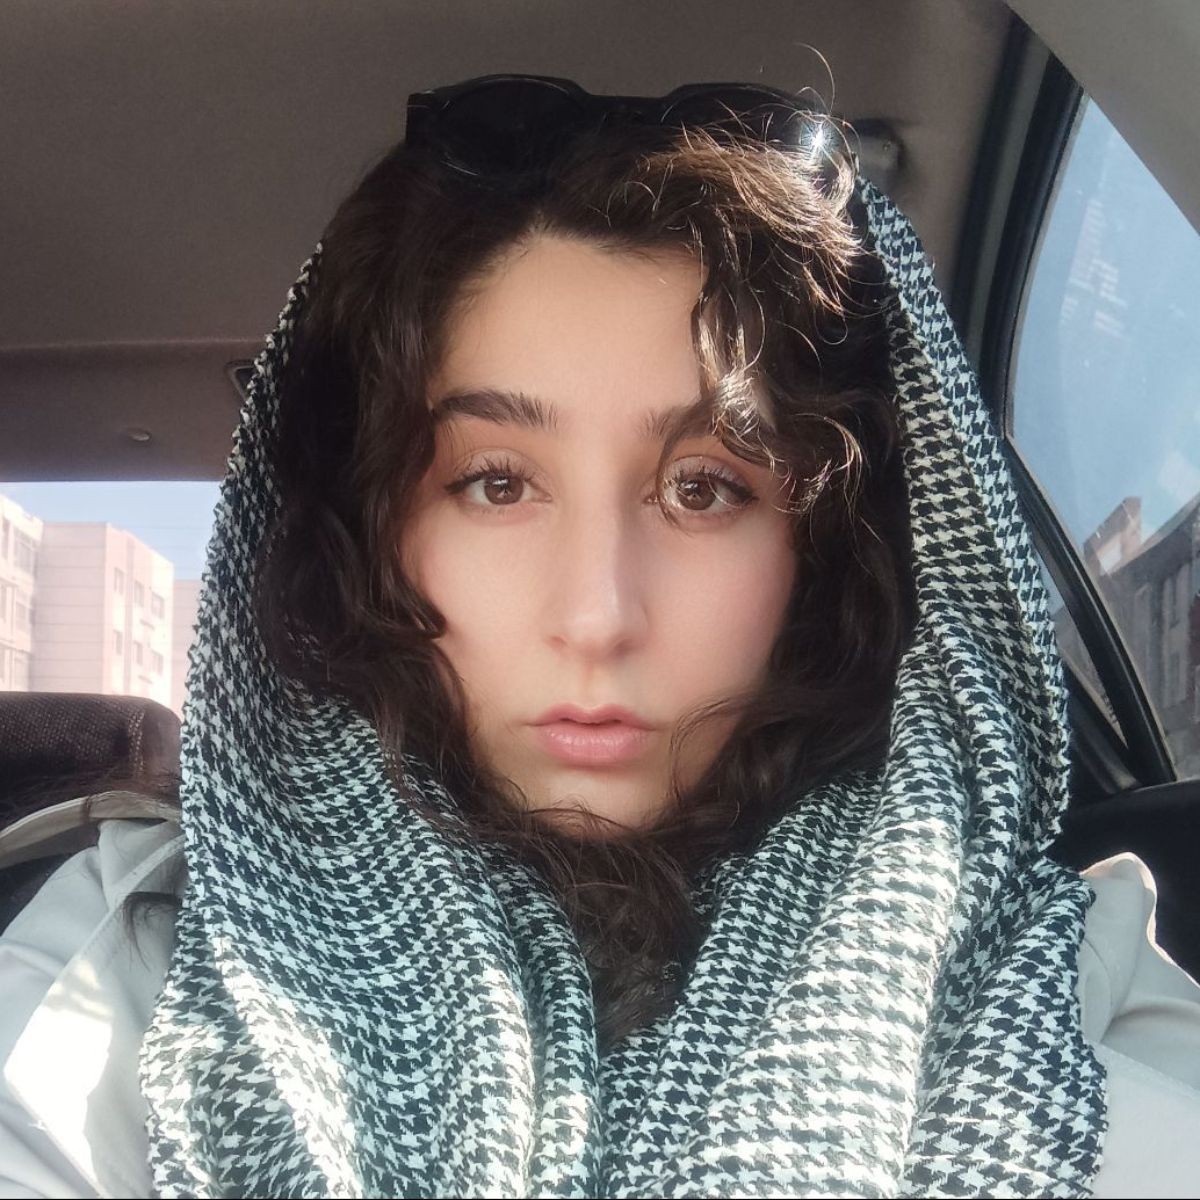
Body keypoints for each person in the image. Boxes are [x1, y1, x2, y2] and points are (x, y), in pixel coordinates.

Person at [2, 74, 1199, 1198]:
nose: (596, 616)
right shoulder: (147, 961)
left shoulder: (1041, 981)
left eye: (704, 489)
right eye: (496, 483)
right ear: (372, 537)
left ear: (823, 552)